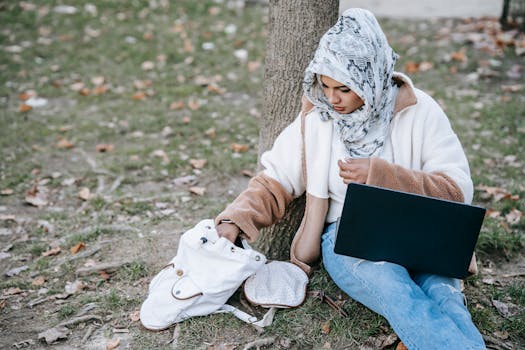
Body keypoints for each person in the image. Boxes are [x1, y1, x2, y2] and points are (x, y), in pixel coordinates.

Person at [214, 8, 486, 350]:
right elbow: (275, 180)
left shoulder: (421, 110)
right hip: (350, 237)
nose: (332, 99)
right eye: (325, 85)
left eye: (344, 88)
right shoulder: (319, 122)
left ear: (370, 77)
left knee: (444, 294)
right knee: (396, 291)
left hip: (422, 232)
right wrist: (235, 220)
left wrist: (380, 174)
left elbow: (457, 190)